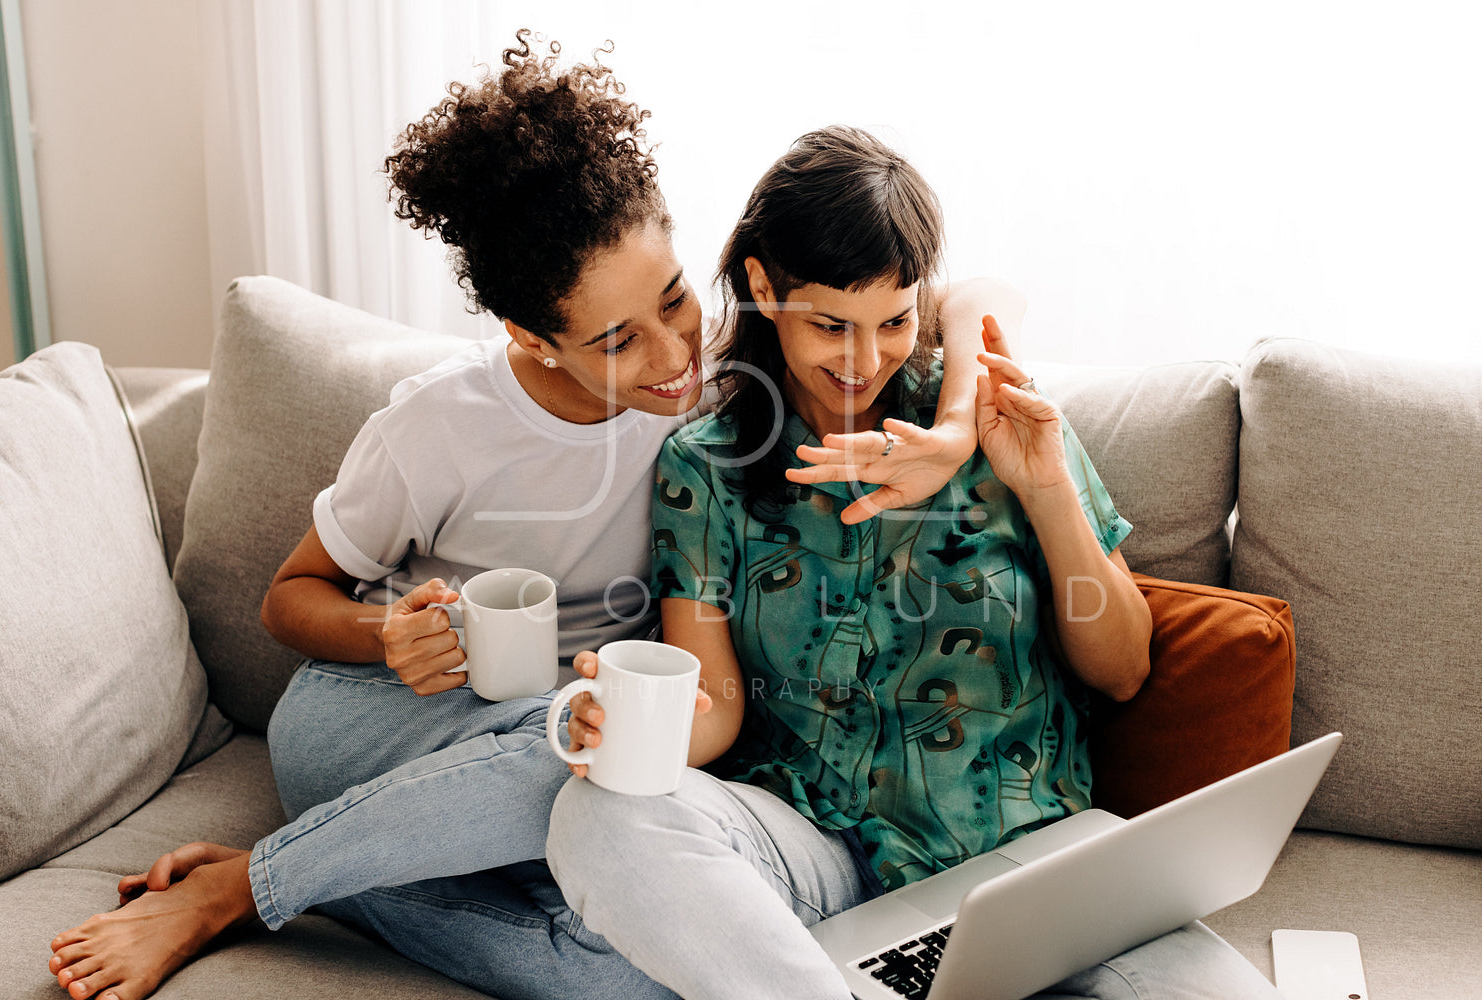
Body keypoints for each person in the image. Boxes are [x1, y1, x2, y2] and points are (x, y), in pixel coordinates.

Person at [44, 36, 1018, 1000]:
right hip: (377, 722)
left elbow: (969, 293)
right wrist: (389, 635)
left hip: (544, 745)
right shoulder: (437, 427)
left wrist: (952, 422)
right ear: (532, 338)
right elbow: (287, 600)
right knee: (573, 752)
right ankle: (250, 889)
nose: (673, 353)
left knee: (637, 946)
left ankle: (341, 888)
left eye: (675, 300)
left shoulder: (729, 368)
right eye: (616, 340)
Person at [546, 126, 1285, 999]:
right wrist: (642, 725)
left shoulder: (996, 417)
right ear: (762, 289)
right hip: (818, 857)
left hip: (1028, 863)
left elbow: (1122, 670)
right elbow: (720, 710)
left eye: (892, 323)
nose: (863, 362)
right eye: (829, 326)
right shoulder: (705, 470)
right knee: (597, 819)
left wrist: (1044, 488)